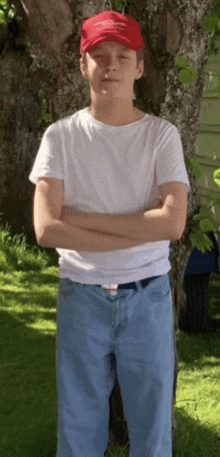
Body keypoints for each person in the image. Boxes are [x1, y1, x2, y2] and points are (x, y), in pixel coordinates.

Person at [29, 10, 190, 457]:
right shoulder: (59, 138)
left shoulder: (161, 137)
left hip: (148, 300)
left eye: (123, 55)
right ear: (83, 65)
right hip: (82, 298)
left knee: (153, 434)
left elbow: (173, 225)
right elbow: (45, 229)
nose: (111, 65)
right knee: (78, 433)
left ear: (140, 67)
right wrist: (142, 226)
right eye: (99, 55)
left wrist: (77, 219)